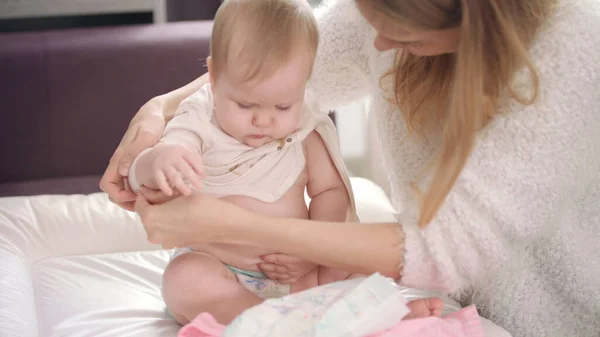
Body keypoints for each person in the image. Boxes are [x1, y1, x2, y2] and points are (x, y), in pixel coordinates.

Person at [101, 0, 600, 336]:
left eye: (399, 32)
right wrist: (159, 112)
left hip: (549, 316)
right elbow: (272, 70)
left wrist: (230, 225)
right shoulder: (382, 17)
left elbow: (442, 246)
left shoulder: (574, 49)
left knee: (343, 275)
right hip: (438, 284)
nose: (377, 43)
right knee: (186, 279)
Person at [124, 0, 443, 326]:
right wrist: (157, 160)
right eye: (245, 104)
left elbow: (330, 191)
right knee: (184, 280)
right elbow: (138, 176)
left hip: (301, 271)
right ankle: (279, 322)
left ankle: (384, 315)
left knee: (351, 266)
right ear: (215, 78)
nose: (263, 120)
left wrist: (313, 255)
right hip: (221, 268)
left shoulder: (305, 125)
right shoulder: (198, 117)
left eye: (282, 106)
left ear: (304, 85)